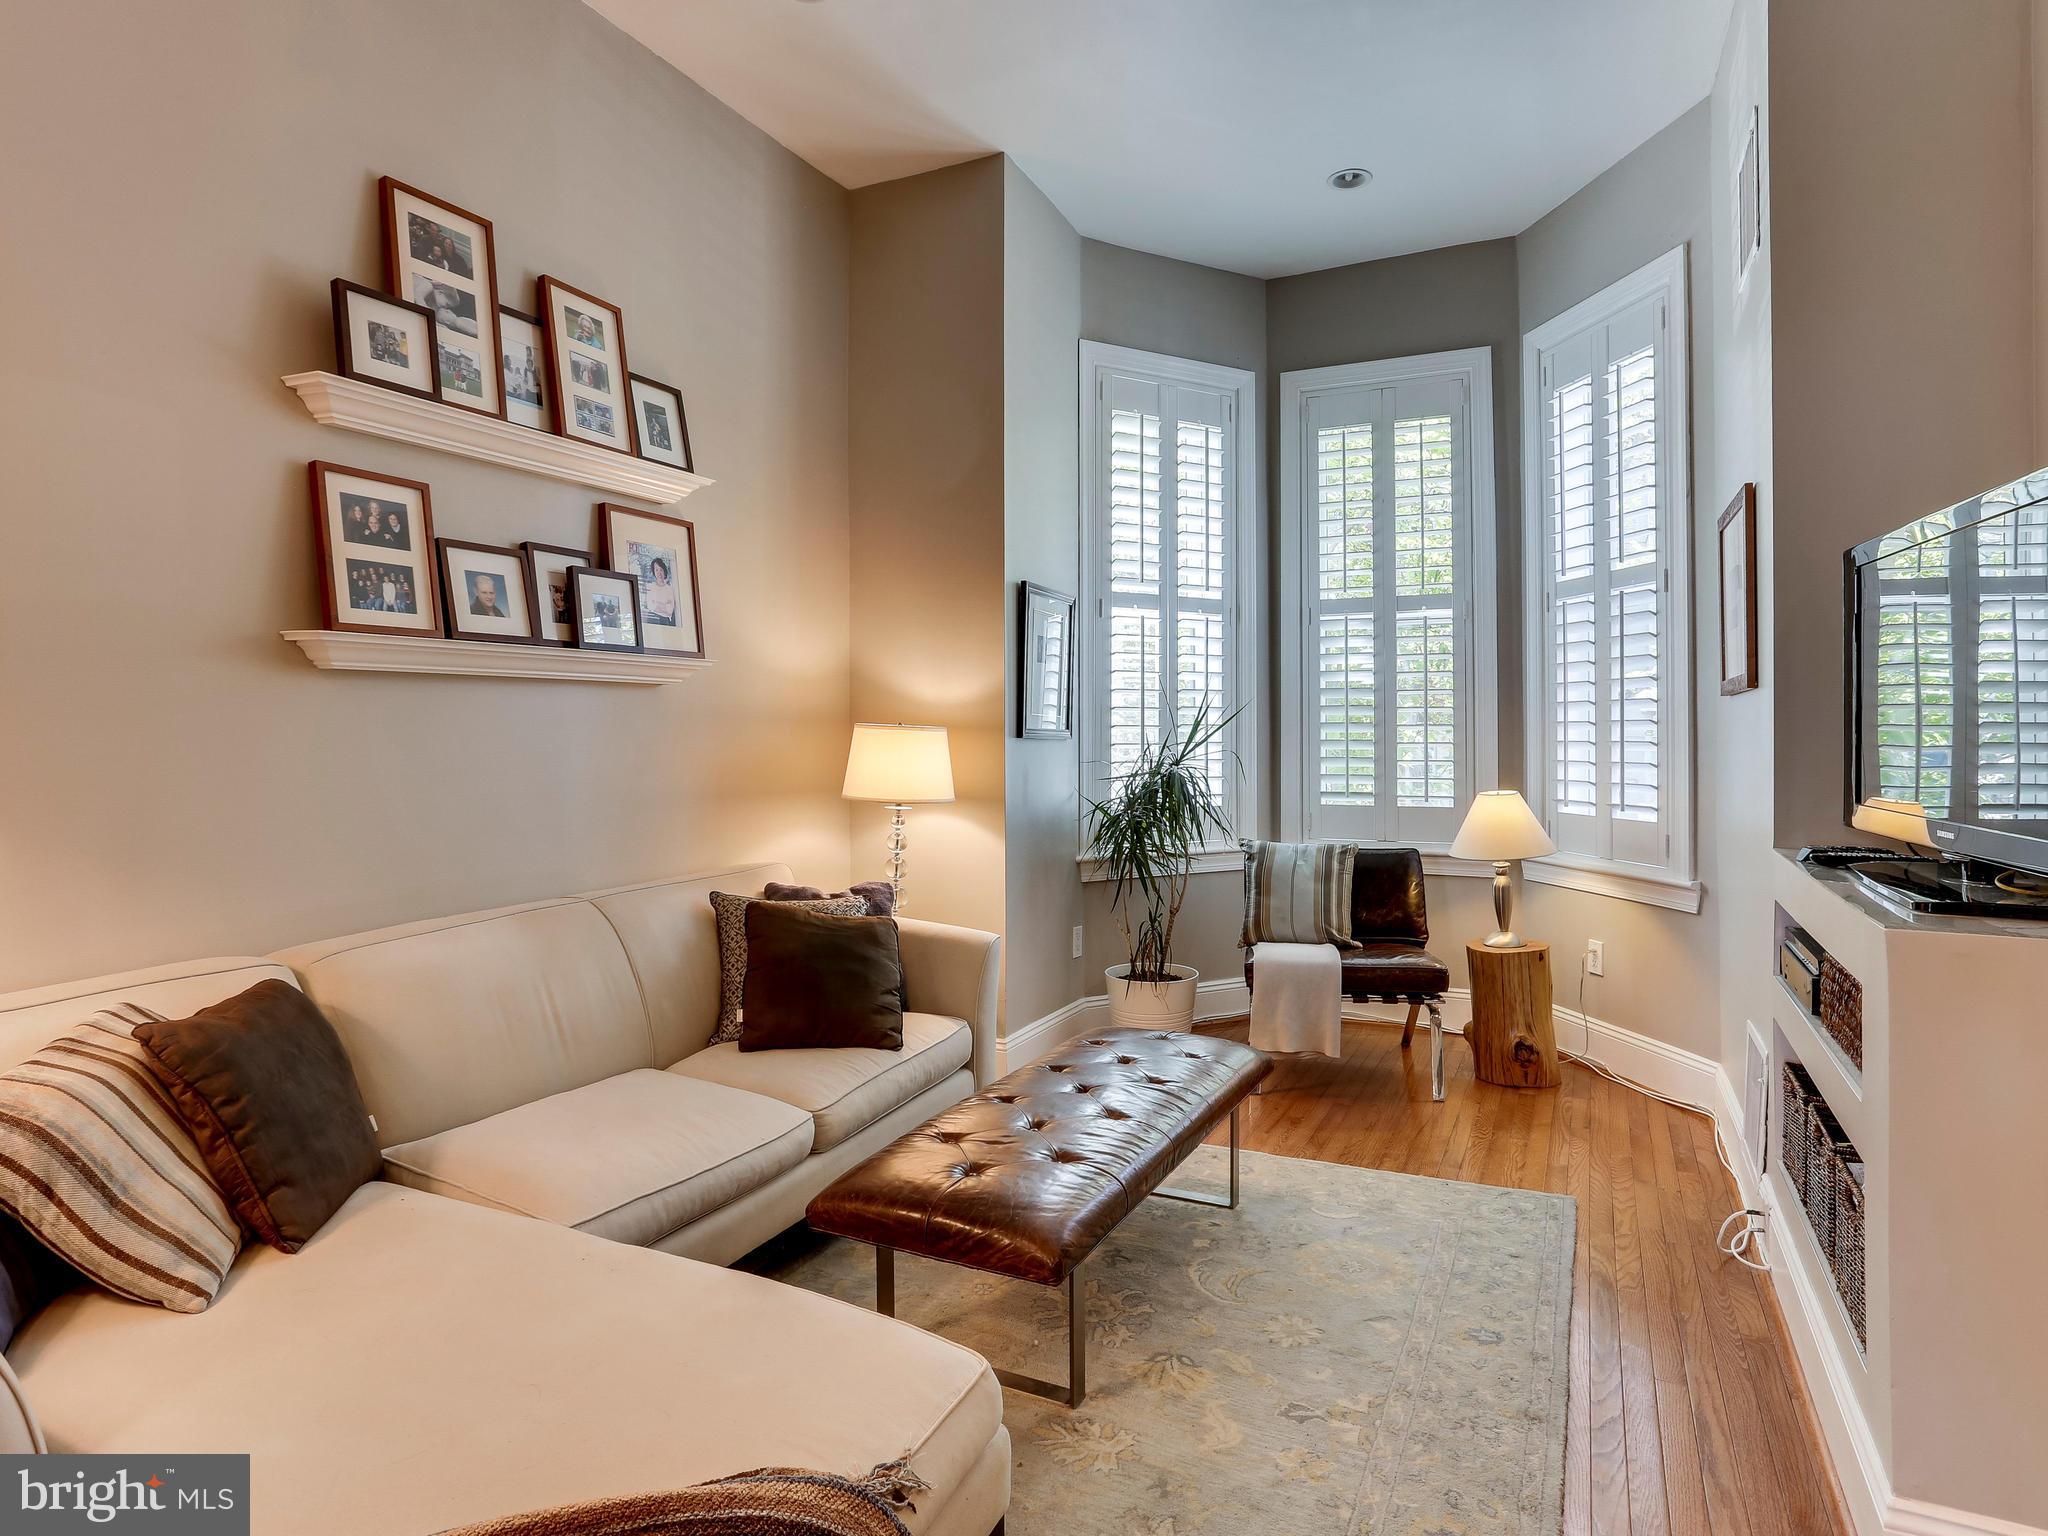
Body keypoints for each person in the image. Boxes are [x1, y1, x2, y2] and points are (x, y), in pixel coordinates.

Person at [643, 555, 678, 626]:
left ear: (664, 571)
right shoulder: (650, 587)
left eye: (661, 569)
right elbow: (650, 606)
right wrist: (664, 605)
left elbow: (670, 610)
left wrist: (657, 603)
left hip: (665, 621)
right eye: (656, 570)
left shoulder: (669, 589)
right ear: (654, 571)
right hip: (652, 619)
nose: (659, 572)